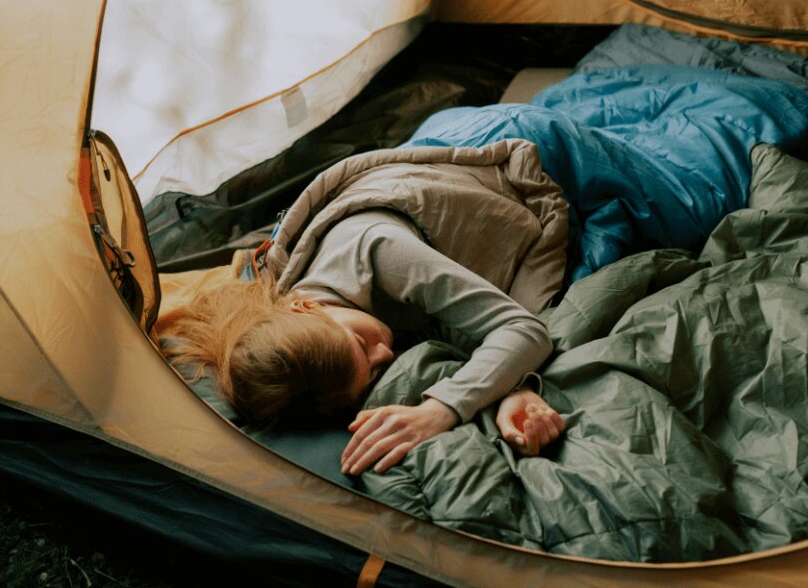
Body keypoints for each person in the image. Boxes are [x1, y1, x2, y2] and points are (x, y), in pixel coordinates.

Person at [158, 143, 567, 476]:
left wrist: (440, 409)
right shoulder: (321, 334)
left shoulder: (379, 251)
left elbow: (522, 327)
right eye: (373, 370)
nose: (385, 354)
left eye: (361, 343)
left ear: (303, 307)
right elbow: (459, 329)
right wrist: (512, 388)